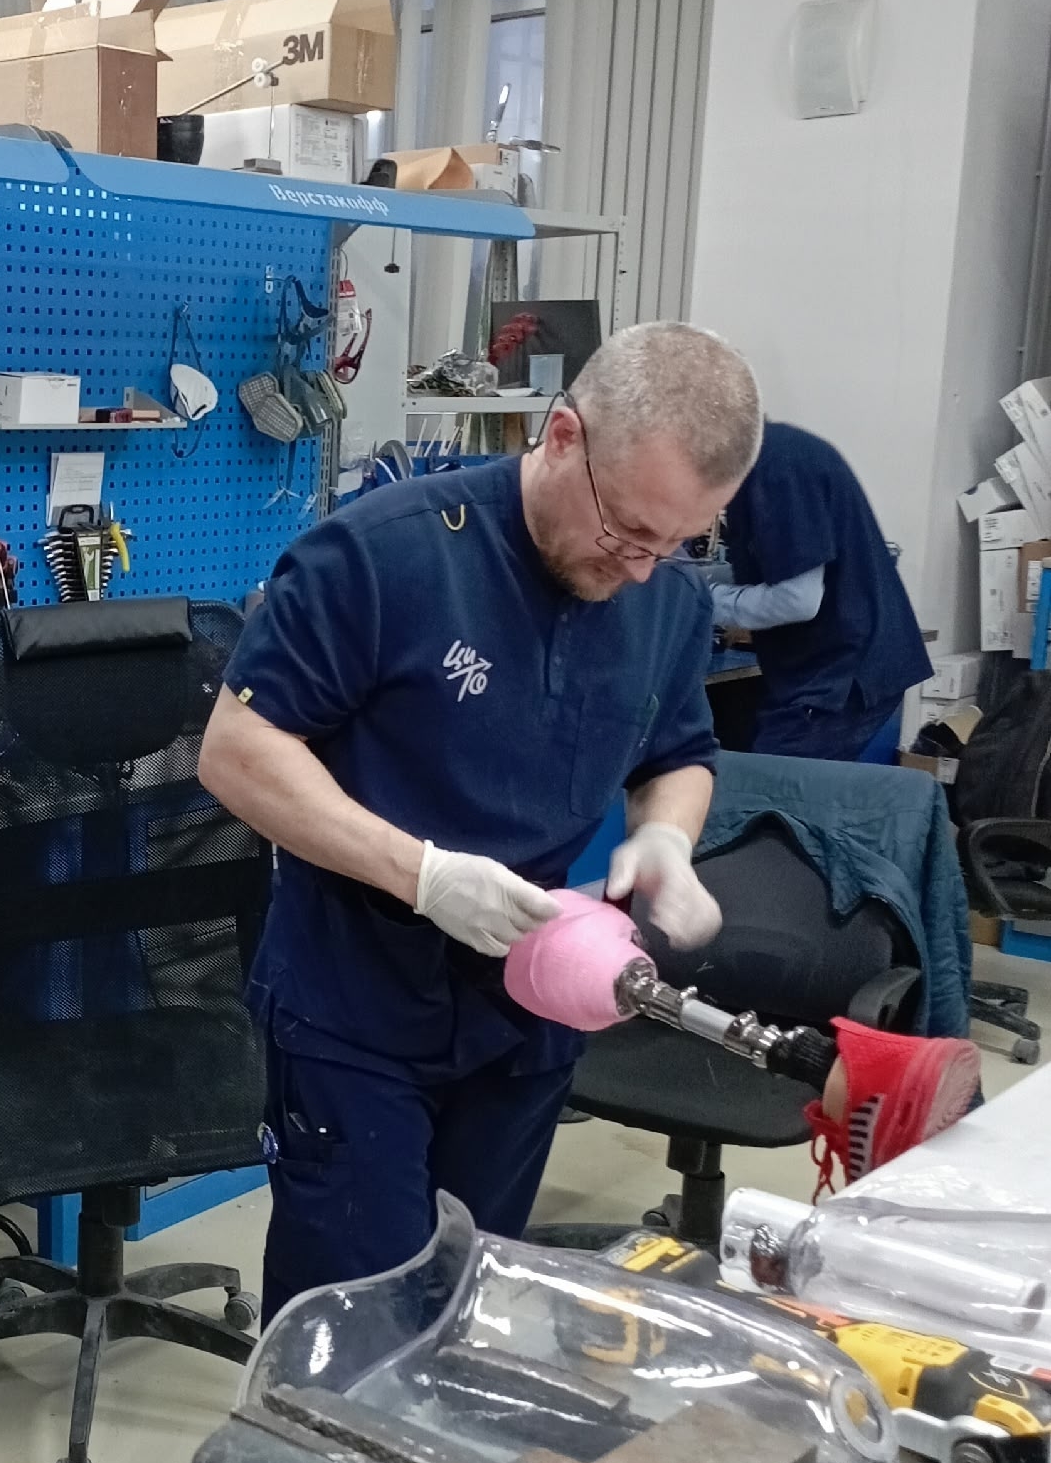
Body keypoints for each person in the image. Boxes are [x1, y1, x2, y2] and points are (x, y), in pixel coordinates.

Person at [199, 323, 763, 1317]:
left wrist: (666, 837)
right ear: (561, 436)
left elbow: (678, 752)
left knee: (469, 1299)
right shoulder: (383, 555)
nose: (642, 568)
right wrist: (423, 875)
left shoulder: (662, 594)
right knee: (355, 1320)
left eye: (677, 542)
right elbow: (236, 752)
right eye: (628, 531)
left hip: (529, 1012)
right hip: (358, 1008)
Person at [706, 418, 931, 759]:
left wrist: (699, 600)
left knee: (770, 786)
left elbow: (796, 600)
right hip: (837, 665)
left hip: (839, 678)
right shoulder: (776, 454)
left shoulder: (777, 470)